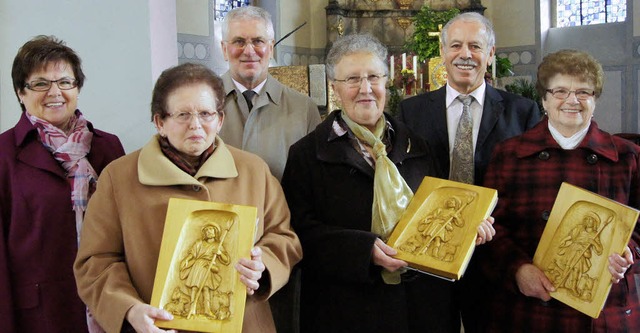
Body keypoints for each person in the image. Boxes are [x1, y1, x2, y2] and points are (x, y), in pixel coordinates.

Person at [281, 33, 494, 333]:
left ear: (386, 82)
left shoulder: (417, 144)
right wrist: (363, 251)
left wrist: (469, 228)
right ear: (334, 88)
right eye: (352, 79)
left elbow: (441, 211)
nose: (365, 89)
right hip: (348, 310)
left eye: (373, 77)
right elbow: (297, 234)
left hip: (421, 308)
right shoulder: (307, 154)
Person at [73, 63, 302, 333]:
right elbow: (96, 262)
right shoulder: (119, 178)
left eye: (206, 114)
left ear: (220, 120)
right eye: (182, 115)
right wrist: (130, 309)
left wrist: (263, 268)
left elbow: (283, 238)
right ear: (160, 122)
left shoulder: (254, 170)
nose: (196, 125)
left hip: (245, 324)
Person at [397, 12, 542, 331]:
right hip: (430, 255)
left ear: (491, 54)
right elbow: (402, 182)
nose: (465, 54)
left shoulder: (523, 111)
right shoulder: (411, 111)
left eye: (475, 46)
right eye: (456, 46)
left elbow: (532, 189)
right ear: (443, 53)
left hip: (497, 256)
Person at [482, 49, 640, 332]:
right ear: (543, 99)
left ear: (595, 100)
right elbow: (491, 230)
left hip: (605, 313)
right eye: (560, 91)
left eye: (584, 92)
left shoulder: (628, 157)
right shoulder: (509, 155)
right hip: (530, 310)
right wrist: (517, 269)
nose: (572, 101)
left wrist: (630, 251)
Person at [0, 35, 125, 333]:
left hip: (107, 303)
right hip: (39, 315)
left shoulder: (108, 148)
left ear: (77, 88)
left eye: (65, 82)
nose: (55, 92)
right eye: (41, 83)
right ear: (21, 92)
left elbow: (129, 233)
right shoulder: (4, 154)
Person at [217, 5, 321, 181]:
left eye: (258, 41)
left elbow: (315, 181)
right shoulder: (202, 105)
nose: (249, 51)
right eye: (239, 41)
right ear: (225, 49)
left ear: (271, 48)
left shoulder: (304, 108)